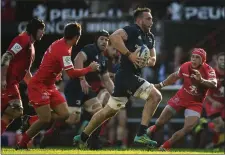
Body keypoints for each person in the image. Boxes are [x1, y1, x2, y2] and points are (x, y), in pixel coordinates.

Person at [73, 7, 162, 148]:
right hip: (127, 75)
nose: (151, 21)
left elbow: (153, 59)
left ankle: (82, 137)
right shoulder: (132, 30)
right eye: (148, 18)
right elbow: (114, 37)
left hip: (126, 79)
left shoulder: (150, 37)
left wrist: (146, 60)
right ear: (139, 20)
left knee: (108, 112)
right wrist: (129, 55)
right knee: (155, 96)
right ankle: (141, 134)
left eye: (151, 18)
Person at [16, 22, 99, 149]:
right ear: (77, 37)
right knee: (45, 119)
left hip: (50, 85)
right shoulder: (64, 49)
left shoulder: (62, 44)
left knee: (65, 114)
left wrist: (57, 73)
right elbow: (71, 73)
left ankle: (31, 120)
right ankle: (22, 144)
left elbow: (50, 59)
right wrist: (89, 68)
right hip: (38, 85)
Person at [39, 30, 114, 149]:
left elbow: (106, 79)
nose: (104, 42)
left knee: (99, 113)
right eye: (102, 39)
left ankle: (94, 142)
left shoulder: (102, 58)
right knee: (72, 119)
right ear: (96, 40)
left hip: (87, 89)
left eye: (106, 40)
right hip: (75, 87)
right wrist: (82, 80)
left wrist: (116, 94)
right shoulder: (90, 49)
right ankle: (49, 135)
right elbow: (78, 60)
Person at [146, 48, 217, 151]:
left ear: (203, 60)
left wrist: (201, 80)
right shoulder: (185, 66)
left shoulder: (209, 70)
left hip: (195, 103)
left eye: (197, 57)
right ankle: (149, 132)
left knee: (188, 128)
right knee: (160, 123)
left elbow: (214, 83)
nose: (194, 59)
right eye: (193, 57)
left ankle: (165, 146)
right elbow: (175, 76)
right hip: (181, 97)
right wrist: (160, 85)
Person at [1, 18, 45, 135]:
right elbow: (6, 57)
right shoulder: (23, 39)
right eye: (41, 30)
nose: (43, 33)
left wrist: (34, 89)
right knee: (16, 110)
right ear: (34, 30)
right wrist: (2, 79)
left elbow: (26, 73)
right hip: (7, 81)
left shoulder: (32, 46)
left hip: (11, 82)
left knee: (14, 112)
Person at [204, 52, 224, 146]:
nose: (223, 62)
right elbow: (205, 92)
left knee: (220, 125)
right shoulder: (211, 74)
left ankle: (215, 144)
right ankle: (215, 144)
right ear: (217, 61)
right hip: (212, 103)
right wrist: (213, 102)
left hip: (223, 104)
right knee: (219, 124)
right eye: (221, 60)